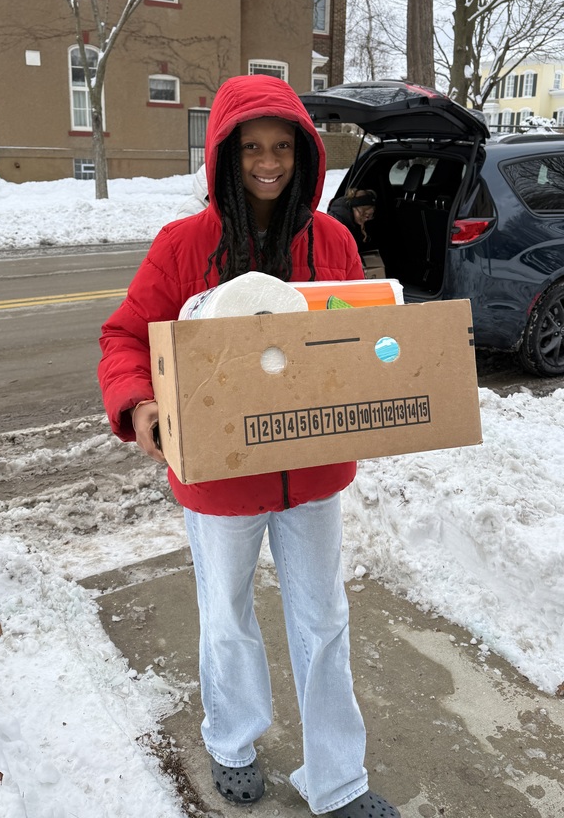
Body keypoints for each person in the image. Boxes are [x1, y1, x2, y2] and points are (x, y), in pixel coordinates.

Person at [98, 75, 400, 818]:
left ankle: (338, 780)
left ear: (304, 154)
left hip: (312, 473)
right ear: (226, 156)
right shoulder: (183, 246)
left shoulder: (330, 240)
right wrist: (138, 403)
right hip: (220, 478)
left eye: (283, 147)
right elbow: (124, 337)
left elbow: (355, 343)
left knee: (324, 620)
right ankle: (232, 740)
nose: (268, 162)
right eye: (252, 148)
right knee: (226, 614)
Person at [328, 188, 378, 256]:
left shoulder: (354, 223)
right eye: (363, 213)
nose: (366, 218)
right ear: (353, 208)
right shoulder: (336, 224)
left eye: (369, 215)